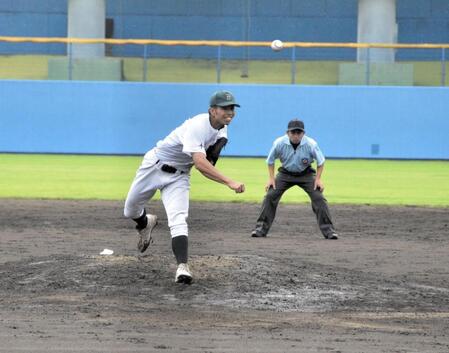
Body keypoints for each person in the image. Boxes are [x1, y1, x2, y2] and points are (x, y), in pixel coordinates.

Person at [124, 90, 245, 284]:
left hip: (179, 177)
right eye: (225, 108)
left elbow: (208, 162)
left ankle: (182, 267)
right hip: (154, 166)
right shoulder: (198, 125)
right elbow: (200, 164)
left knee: (178, 219)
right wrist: (229, 182)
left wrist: (215, 151)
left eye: (232, 108)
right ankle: (146, 223)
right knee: (130, 210)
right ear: (212, 110)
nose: (229, 112)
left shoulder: (222, 130)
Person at [251, 119, 338, 239]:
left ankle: (329, 231)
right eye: (293, 132)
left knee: (319, 197)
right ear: (287, 133)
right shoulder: (279, 143)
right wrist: (271, 179)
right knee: (270, 196)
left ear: (303, 133)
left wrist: (318, 179)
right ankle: (260, 229)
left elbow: (321, 161)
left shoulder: (310, 144)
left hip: (306, 174)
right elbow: (270, 161)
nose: (296, 135)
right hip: (285, 174)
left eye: (299, 132)